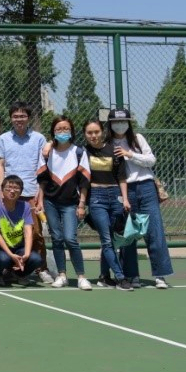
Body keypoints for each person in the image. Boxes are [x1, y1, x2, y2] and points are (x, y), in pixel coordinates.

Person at [108, 108, 173, 288]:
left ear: (129, 123)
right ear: (110, 124)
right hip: (125, 189)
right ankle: (131, 275)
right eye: (116, 122)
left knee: (154, 230)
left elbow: (151, 160)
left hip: (146, 186)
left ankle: (160, 274)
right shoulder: (108, 143)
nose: (120, 125)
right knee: (129, 233)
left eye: (123, 121)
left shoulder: (137, 138)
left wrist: (130, 155)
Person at [0, 101, 50, 283]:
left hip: (31, 193)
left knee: (36, 234)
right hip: (9, 195)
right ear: (11, 118)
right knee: (9, 234)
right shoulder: (3, 139)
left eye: (23, 116)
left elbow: (43, 168)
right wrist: (2, 189)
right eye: (15, 116)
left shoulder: (39, 138)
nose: (19, 119)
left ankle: (40, 269)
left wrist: (40, 193)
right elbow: (0, 165)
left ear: (29, 118)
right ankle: (11, 269)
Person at [36, 115, 93, 291]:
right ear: (53, 131)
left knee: (70, 238)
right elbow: (42, 180)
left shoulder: (79, 152)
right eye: (58, 129)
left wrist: (81, 205)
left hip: (71, 203)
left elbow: (84, 182)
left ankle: (81, 276)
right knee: (57, 239)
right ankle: (61, 275)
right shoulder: (47, 153)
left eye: (66, 128)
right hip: (51, 202)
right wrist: (40, 201)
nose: (62, 132)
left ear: (72, 131)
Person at [80, 118, 133, 291]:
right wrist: (81, 204)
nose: (93, 136)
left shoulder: (114, 151)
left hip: (115, 196)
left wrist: (125, 199)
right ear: (85, 134)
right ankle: (121, 278)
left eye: (96, 132)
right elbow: (83, 181)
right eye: (89, 133)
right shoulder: (82, 153)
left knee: (110, 238)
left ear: (102, 132)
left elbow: (122, 178)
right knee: (107, 239)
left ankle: (104, 276)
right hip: (96, 198)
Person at [0, 174, 46, 286]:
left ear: (21, 191)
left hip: (18, 248)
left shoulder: (25, 206)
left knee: (36, 259)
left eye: (16, 188)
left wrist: (27, 254)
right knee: (3, 258)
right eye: (8, 188)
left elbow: (28, 231)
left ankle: (18, 274)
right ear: (2, 190)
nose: (12, 191)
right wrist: (11, 255)